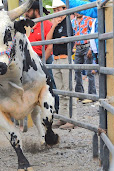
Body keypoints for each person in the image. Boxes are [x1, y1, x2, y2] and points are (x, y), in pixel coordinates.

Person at [24, 0, 59, 112]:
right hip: (32, 61)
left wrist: (42, 63)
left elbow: (50, 46)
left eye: (28, 11)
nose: (26, 13)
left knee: (51, 84)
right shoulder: (29, 26)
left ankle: (56, 109)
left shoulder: (47, 24)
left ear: (36, 11)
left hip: (44, 60)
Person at [45, 0, 75, 129]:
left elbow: (63, 40)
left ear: (64, 8)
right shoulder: (56, 23)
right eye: (55, 10)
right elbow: (48, 40)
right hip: (56, 59)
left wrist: (56, 39)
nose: (57, 12)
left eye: (59, 9)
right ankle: (63, 118)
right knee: (61, 91)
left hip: (64, 58)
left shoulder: (67, 22)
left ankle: (71, 119)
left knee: (68, 90)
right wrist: (53, 25)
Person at [72, 12, 96, 103]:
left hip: (87, 46)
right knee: (77, 70)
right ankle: (80, 94)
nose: (77, 13)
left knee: (89, 72)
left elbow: (93, 33)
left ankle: (92, 95)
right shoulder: (73, 21)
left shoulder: (88, 19)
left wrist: (91, 48)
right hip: (78, 48)